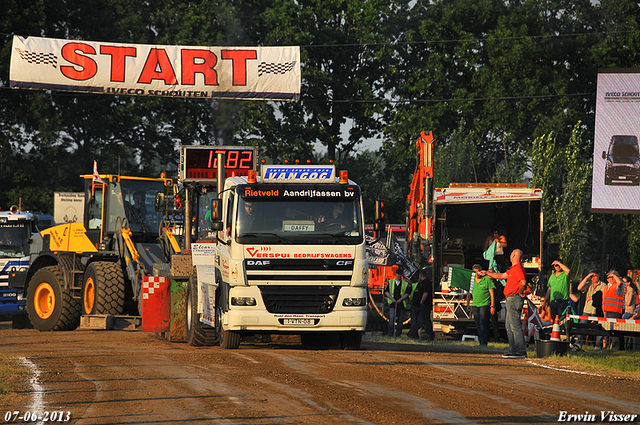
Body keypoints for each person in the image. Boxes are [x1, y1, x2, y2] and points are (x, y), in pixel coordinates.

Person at [480, 249, 527, 359]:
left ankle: (520, 350)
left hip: (514, 298)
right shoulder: (513, 269)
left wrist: (519, 292)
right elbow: (501, 276)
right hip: (510, 299)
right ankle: (513, 350)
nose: (510, 256)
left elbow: (523, 282)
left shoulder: (518, 268)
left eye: (511, 254)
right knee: (509, 326)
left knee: (514, 326)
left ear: (514, 255)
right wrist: (488, 273)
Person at [467, 264, 495, 346]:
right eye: (475, 272)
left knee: (482, 322)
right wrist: (468, 304)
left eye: (478, 272)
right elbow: (469, 293)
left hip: (484, 304)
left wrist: (492, 306)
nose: (477, 274)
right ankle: (481, 339)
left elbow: (492, 293)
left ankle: (483, 341)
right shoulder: (472, 281)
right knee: (477, 323)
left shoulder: (486, 280)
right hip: (475, 304)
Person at [407, 269, 434, 340]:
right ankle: (430, 335)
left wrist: (421, 301)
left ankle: (411, 333)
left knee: (422, 321)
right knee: (425, 320)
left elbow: (425, 293)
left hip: (425, 305)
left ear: (420, 276)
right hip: (426, 305)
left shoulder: (425, 283)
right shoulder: (426, 282)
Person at [602, 270, 625, 349]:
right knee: (607, 329)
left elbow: (619, 282)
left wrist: (614, 275)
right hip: (607, 310)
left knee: (614, 330)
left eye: (611, 277)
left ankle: (616, 347)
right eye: (608, 277)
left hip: (615, 310)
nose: (609, 279)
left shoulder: (618, 286)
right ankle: (607, 346)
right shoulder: (606, 287)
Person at [385, 267, 410, 337]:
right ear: (396, 274)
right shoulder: (390, 282)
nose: (399, 275)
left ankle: (398, 334)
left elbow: (407, 293)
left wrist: (400, 299)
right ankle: (390, 333)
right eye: (398, 274)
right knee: (391, 319)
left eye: (400, 274)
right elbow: (386, 292)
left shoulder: (405, 283)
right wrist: (392, 299)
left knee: (400, 321)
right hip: (392, 304)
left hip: (401, 304)